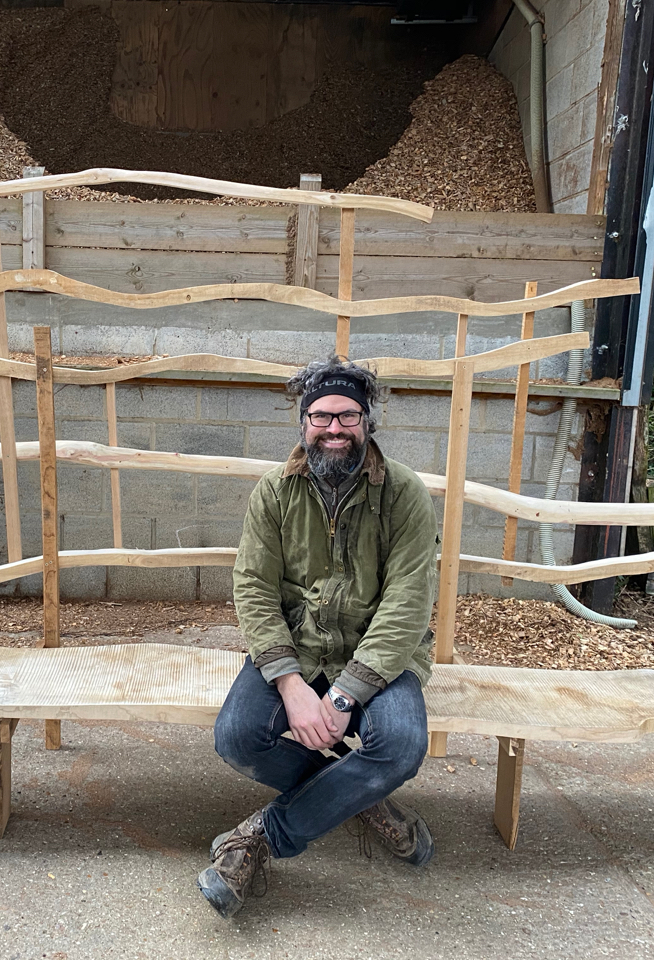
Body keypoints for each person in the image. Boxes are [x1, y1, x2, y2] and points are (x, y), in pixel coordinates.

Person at [197, 356, 440, 918]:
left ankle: (257, 839)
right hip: (298, 650)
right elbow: (253, 587)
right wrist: (287, 682)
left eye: (348, 416)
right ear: (303, 422)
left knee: (401, 745)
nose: (335, 429)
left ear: (367, 420)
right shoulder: (275, 492)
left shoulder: (403, 493)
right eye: (322, 416)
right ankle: (361, 799)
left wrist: (347, 691)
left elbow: (408, 600)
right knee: (236, 737)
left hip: (379, 655)